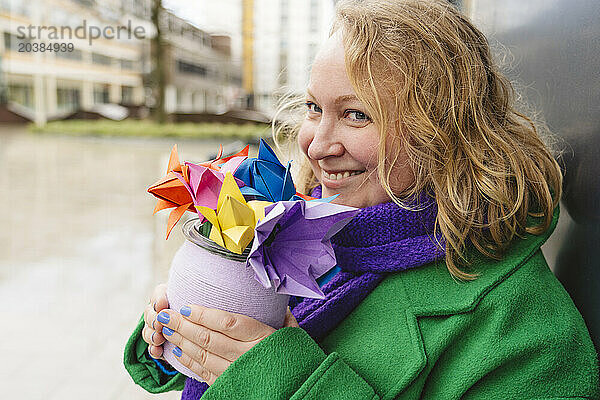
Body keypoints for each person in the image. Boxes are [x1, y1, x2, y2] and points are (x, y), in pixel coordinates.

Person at [124, 1, 599, 398]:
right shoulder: (295, 230)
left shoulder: (527, 332)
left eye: (355, 114)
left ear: (445, 133)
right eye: (314, 108)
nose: (316, 144)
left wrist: (279, 382)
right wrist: (190, 343)